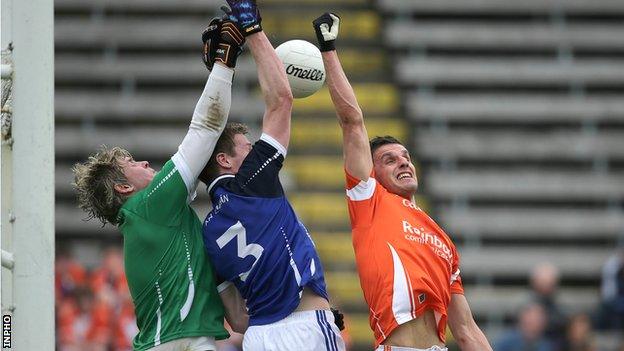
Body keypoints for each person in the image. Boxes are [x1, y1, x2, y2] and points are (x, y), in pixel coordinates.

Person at [312, 12, 492, 351]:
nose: (403, 162)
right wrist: (329, 49)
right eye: (389, 159)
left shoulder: (443, 242)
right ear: (372, 174)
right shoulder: (370, 200)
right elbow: (352, 122)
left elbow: (466, 330)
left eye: (406, 156)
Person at [72, 17, 248, 351]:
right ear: (124, 188)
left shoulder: (172, 225)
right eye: (133, 164)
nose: (144, 163)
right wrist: (225, 63)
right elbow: (204, 130)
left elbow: (239, 319)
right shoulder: (149, 206)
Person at [199, 2, 345, 351]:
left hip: (258, 339)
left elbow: (236, 318)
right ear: (224, 160)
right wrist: (253, 29)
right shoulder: (251, 184)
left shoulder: (206, 230)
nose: (253, 149)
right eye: (245, 146)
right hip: (306, 328)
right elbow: (281, 101)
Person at [529, 262, 566, 342]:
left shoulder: (557, 308)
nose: (546, 287)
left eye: (549, 283)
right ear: (535, 282)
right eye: (543, 283)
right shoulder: (525, 305)